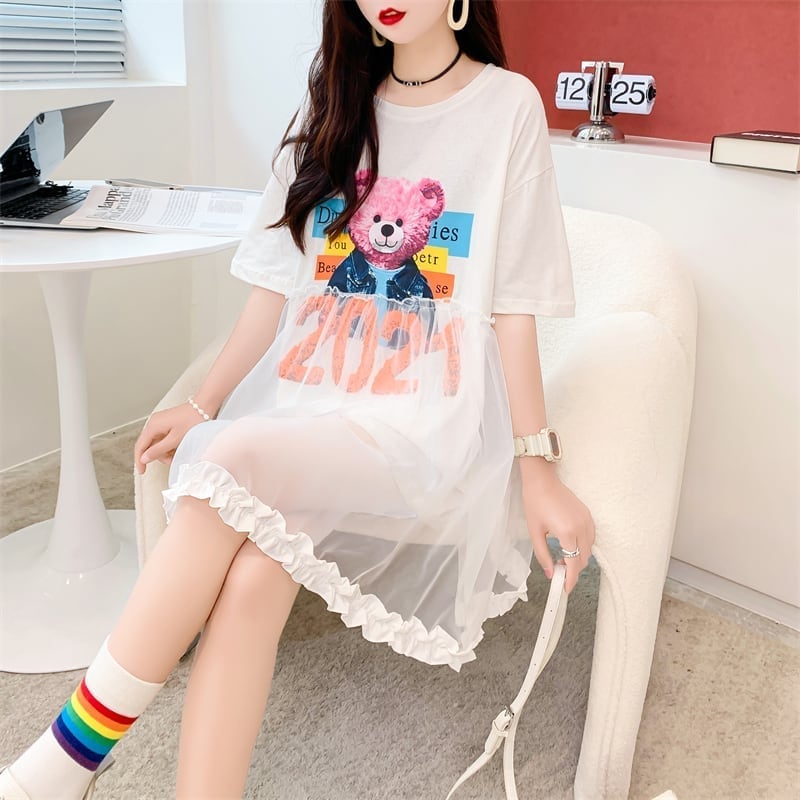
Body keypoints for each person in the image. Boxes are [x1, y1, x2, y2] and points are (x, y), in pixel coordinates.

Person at [0, 1, 596, 798]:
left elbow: (514, 308)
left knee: (233, 456)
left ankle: (64, 762)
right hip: (308, 405)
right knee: (252, 576)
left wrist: (536, 467)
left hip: (418, 423)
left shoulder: (506, 106)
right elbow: (276, 292)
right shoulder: (336, 102)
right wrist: (205, 401)